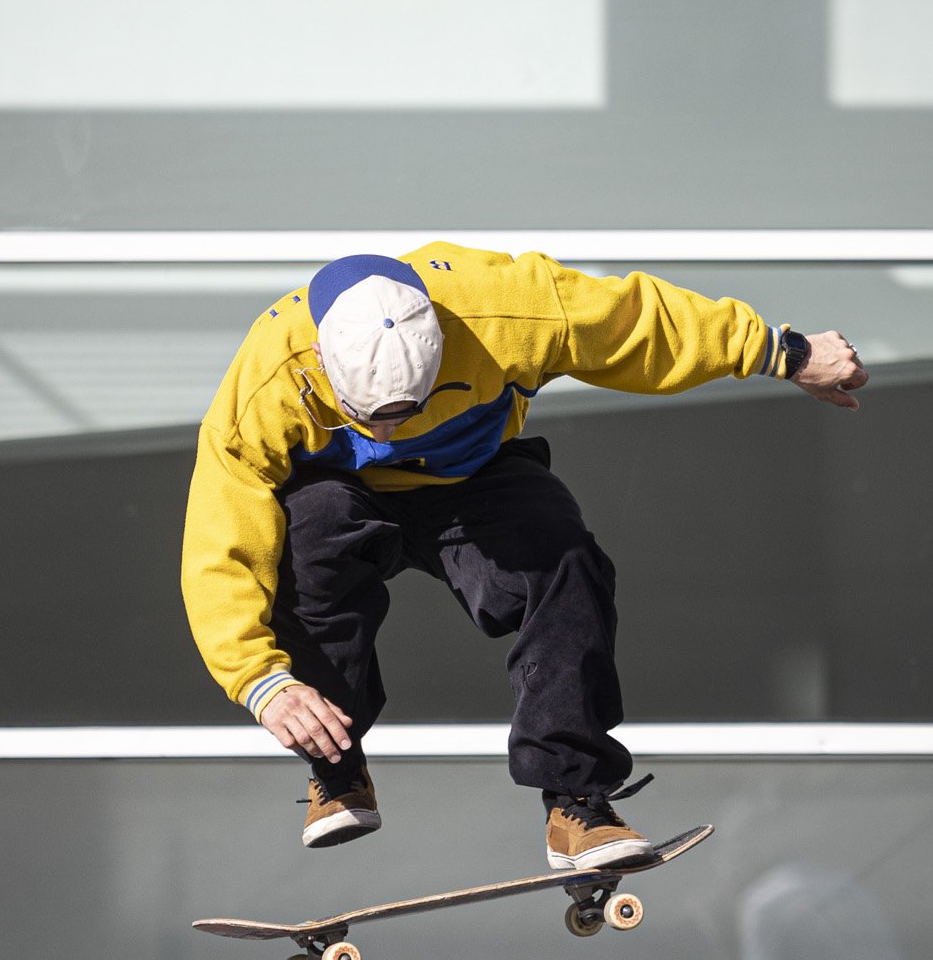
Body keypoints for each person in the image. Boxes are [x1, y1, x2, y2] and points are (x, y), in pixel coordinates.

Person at [180, 243, 867, 869]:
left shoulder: (507, 306)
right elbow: (221, 538)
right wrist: (259, 679)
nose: (389, 432)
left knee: (564, 560)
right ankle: (334, 767)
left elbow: (637, 324)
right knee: (301, 542)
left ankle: (576, 804)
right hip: (341, 496)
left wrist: (786, 351)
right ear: (322, 364)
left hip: (472, 478)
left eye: (408, 409)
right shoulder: (269, 373)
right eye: (371, 417)